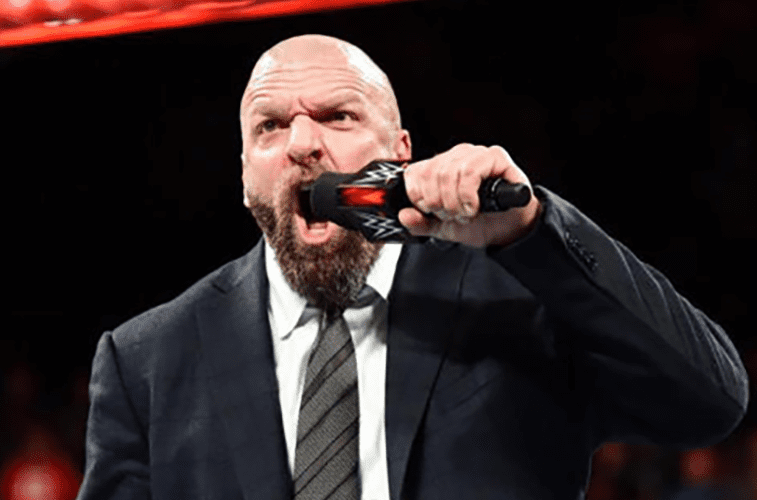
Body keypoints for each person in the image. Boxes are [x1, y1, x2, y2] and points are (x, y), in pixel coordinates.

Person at [76, 34, 749, 500]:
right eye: (270, 127)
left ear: (399, 152)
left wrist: (529, 230)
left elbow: (709, 403)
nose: (303, 143)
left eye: (338, 117)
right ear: (246, 174)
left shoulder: (517, 300)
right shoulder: (146, 361)